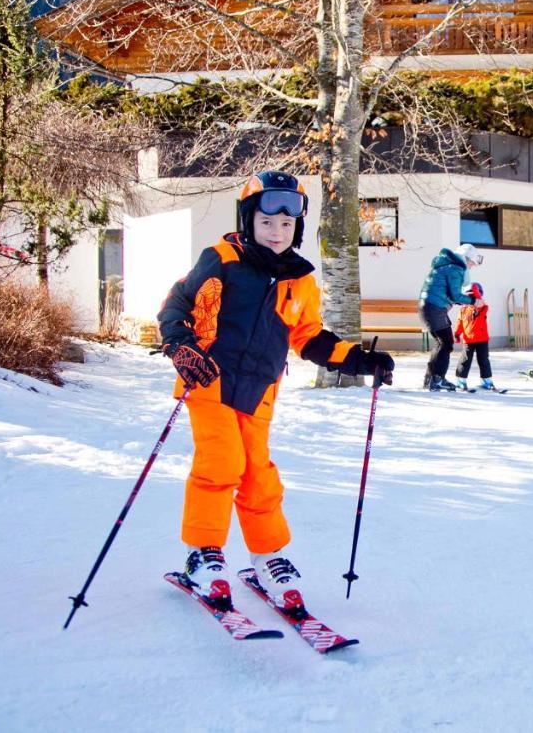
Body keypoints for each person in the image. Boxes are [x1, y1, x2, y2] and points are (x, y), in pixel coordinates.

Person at [157, 170, 395, 608]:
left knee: (258, 476)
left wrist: (360, 360)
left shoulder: (300, 280)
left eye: (287, 224)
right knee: (221, 463)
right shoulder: (222, 258)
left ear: (297, 228)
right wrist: (180, 344)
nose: (277, 232)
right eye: (267, 222)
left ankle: (268, 558)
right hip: (210, 380)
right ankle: (203, 555)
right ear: (249, 220)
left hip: (260, 390)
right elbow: (178, 304)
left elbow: (308, 336)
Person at [419, 243, 483, 392]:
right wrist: (474, 301)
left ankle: (431, 379)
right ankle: (437, 379)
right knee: (446, 342)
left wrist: (466, 299)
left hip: (431, 306)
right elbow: (454, 295)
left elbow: (450, 294)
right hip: (434, 307)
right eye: (472, 263)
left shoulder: (448, 266)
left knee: (442, 342)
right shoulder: (456, 268)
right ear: (466, 259)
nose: (472, 267)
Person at [453, 282, 495, 391]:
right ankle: (460, 380)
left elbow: (481, 302)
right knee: (465, 360)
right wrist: (457, 334)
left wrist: (475, 292)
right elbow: (460, 323)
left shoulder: (483, 308)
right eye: (470, 298)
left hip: (482, 340)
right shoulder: (463, 310)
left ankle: (486, 380)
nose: (473, 300)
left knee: (484, 360)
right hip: (468, 340)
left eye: (474, 297)